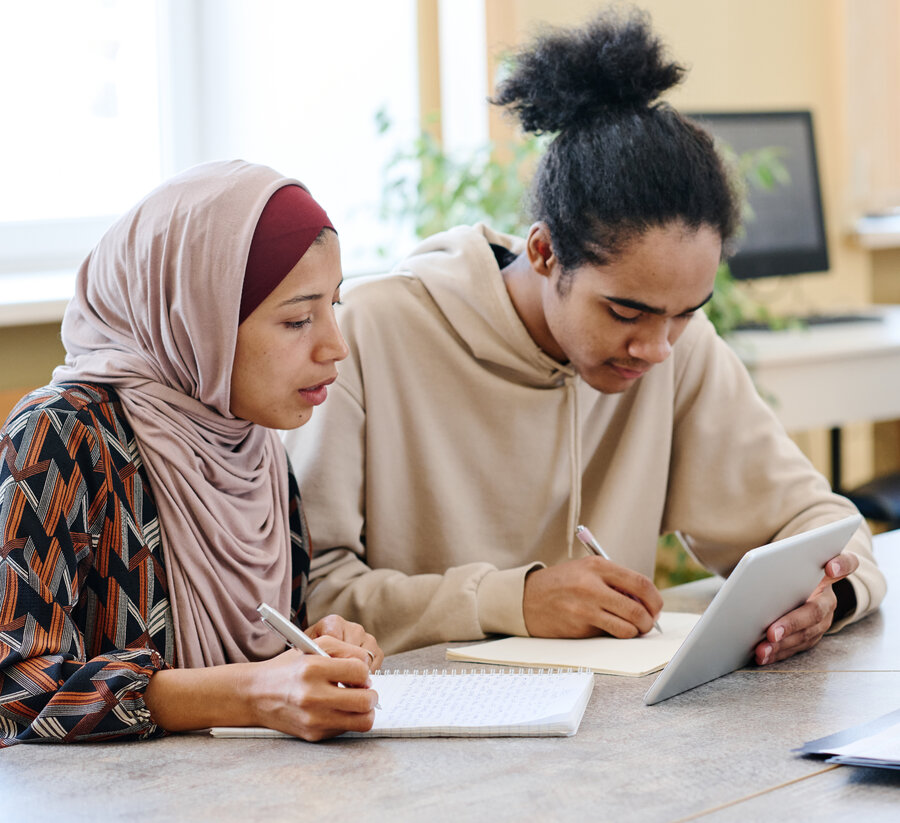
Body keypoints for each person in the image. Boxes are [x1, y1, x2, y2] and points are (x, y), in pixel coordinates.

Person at [281, 10, 887, 657]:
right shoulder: (370, 333)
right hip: (414, 730)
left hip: (609, 727)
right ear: (544, 253)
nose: (656, 348)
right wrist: (512, 600)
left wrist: (828, 595)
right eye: (625, 312)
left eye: (684, 311)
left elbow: (820, 526)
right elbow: (312, 593)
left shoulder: (680, 350)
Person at [0, 160, 384, 746]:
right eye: (298, 319)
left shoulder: (252, 444)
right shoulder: (61, 435)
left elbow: (254, 659)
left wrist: (312, 649)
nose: (336, 346)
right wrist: (251, 693)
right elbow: (14, 693)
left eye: (334, 305)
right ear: (195, 318)